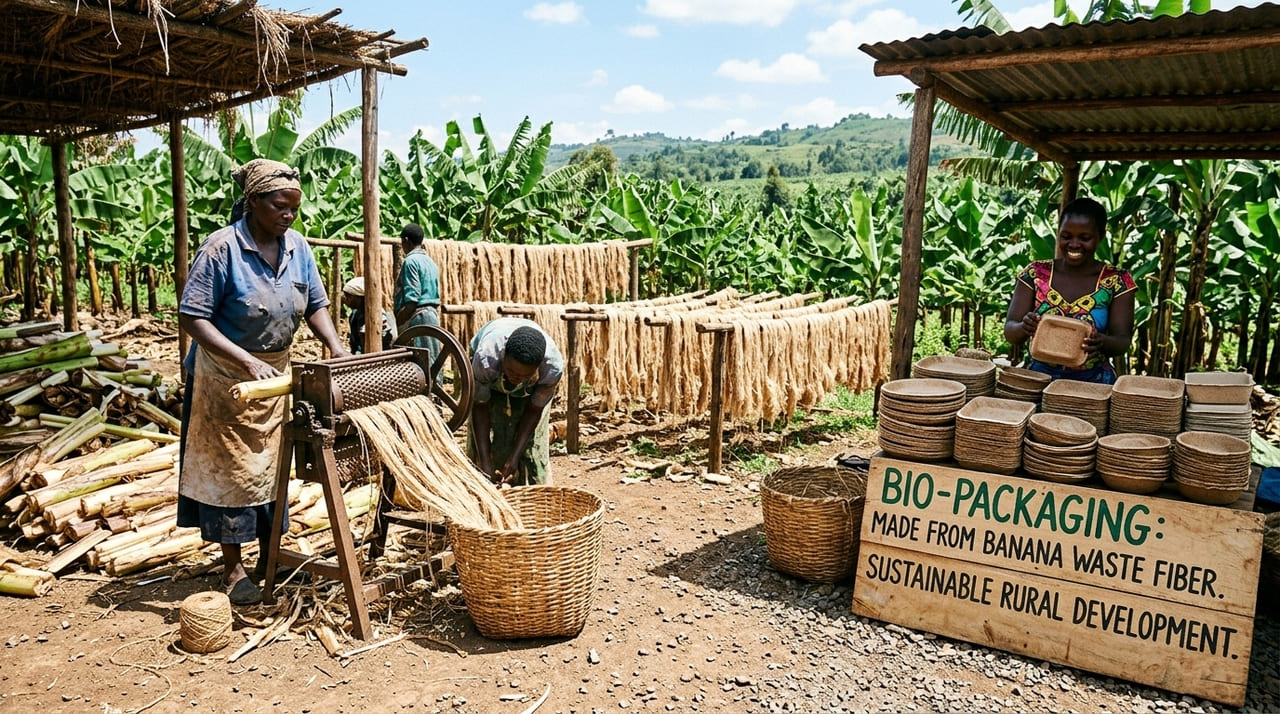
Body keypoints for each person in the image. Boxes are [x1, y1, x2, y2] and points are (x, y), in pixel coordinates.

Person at [177, 158, 350, 606]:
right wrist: (246, 362)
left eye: (293, 207)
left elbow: (315, 304)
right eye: (278, 206)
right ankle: (232, 568)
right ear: (253, 202)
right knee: (228, 476)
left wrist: (335, 345)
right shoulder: (221, 249)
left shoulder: (298, 248)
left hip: (274, 374)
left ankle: (267, 558)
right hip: (224, 376)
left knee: (269, 471)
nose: (287, 215)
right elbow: (192, 316)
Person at [1004, 196, 1137, 384]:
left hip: (1093, 383)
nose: (1074, 244)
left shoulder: (1117, 282)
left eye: (1085, 238)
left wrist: (1101, 342)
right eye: (1066, 236)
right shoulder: (1035, 274)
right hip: (1037, 380)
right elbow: (1010, 331)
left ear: (1101, 236)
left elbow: (1122, 340)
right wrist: (1024, 327)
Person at [467, 318, 563, 486]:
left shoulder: (552, 368)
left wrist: (513, 459)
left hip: (531, 386)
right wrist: (485, 460)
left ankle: (533, 490)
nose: (515, 378)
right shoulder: (486, 358)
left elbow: (534, 410)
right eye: (511, 370)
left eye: (524, 375)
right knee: (482, 452)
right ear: (503, 356)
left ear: (537, 367)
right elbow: (479, 406)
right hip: (488, 369)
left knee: (534, 451)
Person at [393, 223, 442, 358]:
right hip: (432, 316)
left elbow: (412, 299)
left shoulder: (410, 261)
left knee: (419, 362)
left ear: (406, 241)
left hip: (418, 318)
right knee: (432, 358)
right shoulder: (430, 262)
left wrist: (399, 320)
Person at [341, 277, 396, 354]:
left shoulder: (382, 315)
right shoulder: (354, 315)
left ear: (360, 298)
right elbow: (355, 344)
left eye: (349, 297)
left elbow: (389, 343)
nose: (346, 300)